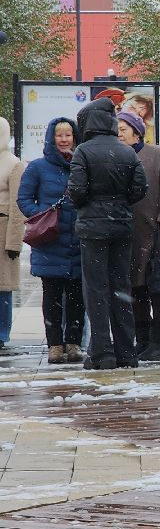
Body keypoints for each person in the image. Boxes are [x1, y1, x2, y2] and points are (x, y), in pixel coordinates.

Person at [67, 98, 148, 370]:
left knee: (96, 289)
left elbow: (76, 190)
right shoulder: (126, 152)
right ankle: (127, 351)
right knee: (120, 287)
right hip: (121, 226)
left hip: (93, 229)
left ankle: (102, 352)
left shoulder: (84, 152)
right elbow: (140, 188)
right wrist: (120, 203)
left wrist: (88, 203)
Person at [117, 111, 160, 363]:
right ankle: (142, 339)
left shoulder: (155, 155)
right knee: (136, 288)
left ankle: (158, 342)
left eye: (123, 129)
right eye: (117, 129)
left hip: (155, 233)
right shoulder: (118, 156)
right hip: (128, 234)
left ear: (136, 131)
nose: (119, 134)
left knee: (157, 286)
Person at [19, 118, 82, 364]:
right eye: (59, 135)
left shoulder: (81, 164)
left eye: (69, 135)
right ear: (51, 138)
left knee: (78, 296)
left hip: (77, 240)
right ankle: (55, 344)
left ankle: (74, 343)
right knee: (52, 296)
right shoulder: (37, 167)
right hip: (50, 241)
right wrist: (43, 214)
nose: (64, 139)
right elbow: (24, 199)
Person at [0, 119, 27, 356]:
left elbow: (18, 206)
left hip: (3, 230)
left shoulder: (14, 164)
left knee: (3, 286)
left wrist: (14, 242)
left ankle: (1, 333)